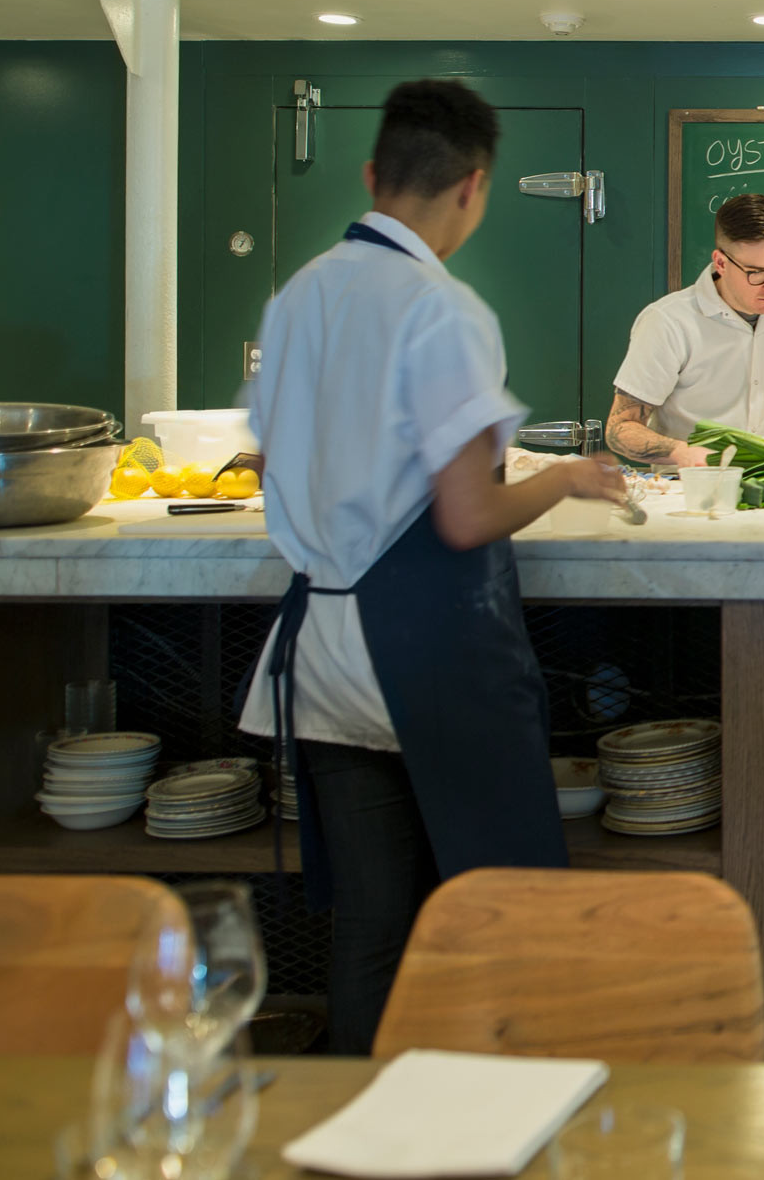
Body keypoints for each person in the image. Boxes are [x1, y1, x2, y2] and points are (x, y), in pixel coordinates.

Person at [235, 79, 628, 1054]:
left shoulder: (296, 297)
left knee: (372, 922)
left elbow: (274, 460)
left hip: (319, 647)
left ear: (373, 174)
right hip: (423, 650)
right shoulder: (442, 310)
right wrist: (568, 476)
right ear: (475, 187)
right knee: (495, 907)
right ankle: (483, 1116)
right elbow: (468, 516)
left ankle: (360, 1121)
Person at [607, 193, 764, 466]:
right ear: (721, 263)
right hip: (687, 489)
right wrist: (688, 455)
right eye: (758, 273)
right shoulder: (668, 322)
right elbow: (619, 428)